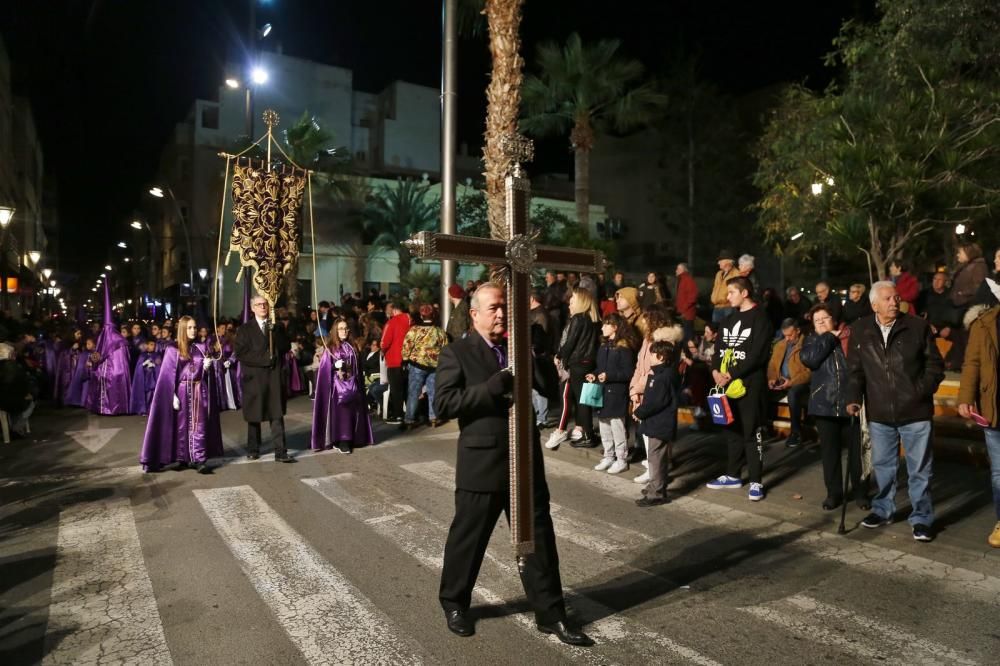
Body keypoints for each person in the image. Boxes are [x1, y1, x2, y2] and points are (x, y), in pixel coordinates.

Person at [433, 283, 592, 646]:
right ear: (474, 314)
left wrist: (535, 354)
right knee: (468, 541)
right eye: (493, 308)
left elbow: (550, 390)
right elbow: (444, 404)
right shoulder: (457, 353)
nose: (502, 314)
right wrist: (490, 387)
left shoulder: (518, 347)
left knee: (539, 542)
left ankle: (552, 614)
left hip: (524, 462)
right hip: (482, 462)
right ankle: (454, 603)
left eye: (504, 307)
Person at [846, 281, 943, 542]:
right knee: (883, 466)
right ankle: (883, 509)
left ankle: (922, 518)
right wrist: (854, 398)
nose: (894, 302)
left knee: (919, 469)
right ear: (874, 304)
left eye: (896, 297)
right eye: (888, 299)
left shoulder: (917, 326)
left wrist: (920, 390)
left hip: (916, 411)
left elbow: (935, 365)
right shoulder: (860, 329)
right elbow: (855, 371)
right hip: (879, 413)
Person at [706, 276, 775, 501]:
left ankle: (756, 481)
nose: (727, 297)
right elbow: (718, 349)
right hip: (726, 384)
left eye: (732, 292)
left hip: (749, 386)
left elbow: (758, 355)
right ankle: (733, 475)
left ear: (744, 293)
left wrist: (731, 374)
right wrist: (716, 371)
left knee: (751, 432)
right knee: (731, 430)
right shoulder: (728, 319)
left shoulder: (761, 318)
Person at [800, 303, 868, 511]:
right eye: (816, 320)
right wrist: (830, 337)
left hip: (852, 402)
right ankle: (834, 493)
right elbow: (810, 360)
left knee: (858, 454)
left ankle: (861, 492)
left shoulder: (850, 337)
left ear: (834, 318)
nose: (821, 322)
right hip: (824, 404)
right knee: (830, 454)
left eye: (825, 318)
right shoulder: (812, 341)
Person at [139, 316, 223, 473]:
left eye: (195, 328)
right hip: (182, 391)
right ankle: (181, 457)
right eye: (190, 328)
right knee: (180, 425)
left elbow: (205, 373)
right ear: (183, 329)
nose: (193, 331)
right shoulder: (173, 349)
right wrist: (172, 395)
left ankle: (199, 459)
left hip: (199, 390)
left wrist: (206, 368)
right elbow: (166, 375)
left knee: (199, 424)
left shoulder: (201, 347)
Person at [956, 288, 1000, 548]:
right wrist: (965, 396)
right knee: (999, 472)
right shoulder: (984, 323)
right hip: (993, 408)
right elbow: (971, 362)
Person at [234, 295, 294, 462]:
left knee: (276, 414)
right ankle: (253, 448)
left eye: (265, 304)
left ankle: (280, 451)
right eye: (259, 304)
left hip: (273, 377)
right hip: (255, 377)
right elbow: (241, 353)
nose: (262, 307)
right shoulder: (245, 329)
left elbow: (285, 346)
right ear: (252, 308)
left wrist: (275, 332)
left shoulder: (276, 326)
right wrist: (263, 359)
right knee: (254, 414)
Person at [311, 317, 374, 454]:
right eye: (341, 328)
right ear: (335, 331)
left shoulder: (352, 346)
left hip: (353, 385)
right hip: (337, 388)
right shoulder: (331, 348)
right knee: (342, 413)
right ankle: (342, 440)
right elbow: (324, 368)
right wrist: (335, 365)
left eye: (346, 328)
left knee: (353, 411)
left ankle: (352, 437)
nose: (344, 331)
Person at [551, 288, 601, 448]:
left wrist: (558, 355)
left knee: (581, 401)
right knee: (585, 399)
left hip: (578, 363)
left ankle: (588, 436)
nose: (569, 303)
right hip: (588, 363)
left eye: (573, 299)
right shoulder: (592, 319)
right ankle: (588, 433)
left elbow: (570, 342)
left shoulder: (578, 319)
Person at [589, 313, 638, 475]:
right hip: (602, 391)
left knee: (617, 426)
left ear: (615, 327)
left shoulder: (623, 348)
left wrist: (609, 376)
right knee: (604, 425)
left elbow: (628, 372)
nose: (602, 327)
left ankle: (621, 459)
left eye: (606, 324)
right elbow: (599, 367)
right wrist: (594, 374)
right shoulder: (603, 347)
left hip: (616, 393)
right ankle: (609, 455)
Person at [633, 340, 680, 507]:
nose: (649, 357)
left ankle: (656, 493)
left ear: (661, 357)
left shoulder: (663, 377)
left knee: (655, 458)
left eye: (652, 354)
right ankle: (656, 486)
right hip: (657, 423)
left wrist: (639, 412)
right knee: (656, 457)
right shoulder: (662, 374)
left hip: (659, 424)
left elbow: (655, 402)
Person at [767, 318, 811, 449]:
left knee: (793, 393)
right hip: (782, 380)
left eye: (790, 335)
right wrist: (772, 378)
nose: (787, 338)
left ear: (798, 331)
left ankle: (795, 432)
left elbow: (809, 372)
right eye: (784, 335)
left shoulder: (806, 344)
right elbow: (772, 365)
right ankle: (762, 427)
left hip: (799, 381)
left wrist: (791, 382)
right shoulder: (780, 345)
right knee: (758, 389)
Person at [402, 304, 448, 429]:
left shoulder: (414, 330)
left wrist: (405, 360)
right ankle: (433, 418)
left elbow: (407, 345)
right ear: (433, 315)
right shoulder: (439, 331)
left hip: (417, 364)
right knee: (433, 392)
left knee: (413, 393)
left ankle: (409, 420)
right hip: (434, 366)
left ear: (421, 315)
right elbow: (445, 348)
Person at [380, 300, 411, 424]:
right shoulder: (410, 320)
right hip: (408, 360)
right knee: (408, 389)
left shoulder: (392, 322)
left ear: (394, 310)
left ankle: (398, 415)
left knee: (396, 390)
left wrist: (382, 350)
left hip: (394, 360)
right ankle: (410, 414)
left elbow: (385, 341)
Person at [951, 242, 989, 315]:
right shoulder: (966, 266)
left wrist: (962, 293)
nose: (957, 255)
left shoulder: (978, 266)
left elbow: (980, 287)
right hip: (961, 306)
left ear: (968, 253)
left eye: (960, 252)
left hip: (968, 307)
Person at [129, 339, 162, 416]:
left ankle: (151, 410)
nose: (152, 347)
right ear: (146, 345)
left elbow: (159, 366)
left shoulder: (157, 356)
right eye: (150, 344)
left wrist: (154, 366)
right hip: (144, 379)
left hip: (153, 379)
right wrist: (143, 364)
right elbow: (138, 367)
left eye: (153, 345)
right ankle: (143, 409)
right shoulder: (142, 355)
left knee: (152, 394)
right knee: (144, 394)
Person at [711, 250, 739, 323]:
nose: (718, 263)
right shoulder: (718, 274)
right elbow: (715, 288)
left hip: (729, 307)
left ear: (727, 261)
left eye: (720, 260)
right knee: (716, 331)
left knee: (728, 330)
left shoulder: (736, 273)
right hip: (716, 307)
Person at [674, 263, 698, 344]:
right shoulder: (682, 279)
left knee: (688, 336)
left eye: (677, 269)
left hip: (687, 314)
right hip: (683, 313)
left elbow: (692, 297)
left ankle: (690, 353)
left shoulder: (688, 279)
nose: (676, 271)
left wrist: (683, 309)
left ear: (682, 270)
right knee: (683, 336)